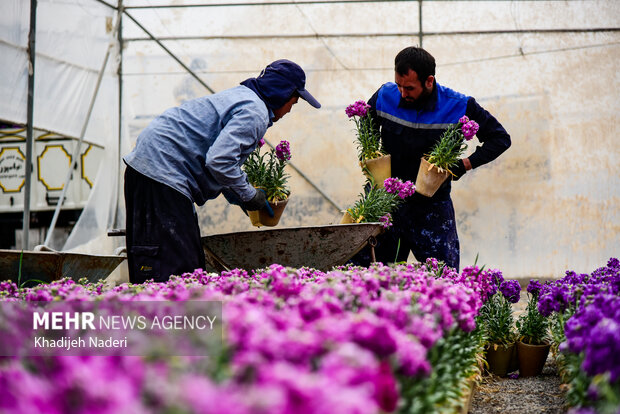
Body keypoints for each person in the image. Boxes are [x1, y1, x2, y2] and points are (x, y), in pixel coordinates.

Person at [123, 59, 321, 284]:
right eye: (293, 103)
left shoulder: (243, 97)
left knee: (165, 260)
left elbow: (215, 157)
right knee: (177, 270)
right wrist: (249, 194)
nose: (289, 111)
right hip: (162, 171)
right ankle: (172, 317)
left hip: (150, 167)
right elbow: (219, 160)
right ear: (282, 93)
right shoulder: (254, 112)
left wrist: (237, 195)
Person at [352, 46, 511, 271]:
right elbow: (366, 123)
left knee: (444, 280)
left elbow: (500, 138)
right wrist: (369, 156)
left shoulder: (458, 105)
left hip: (431, 209)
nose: (402, 93)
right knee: (370, 277)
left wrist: (464, 164)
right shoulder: (384, 96)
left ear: (429, 81)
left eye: (409, 88)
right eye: (398, 85)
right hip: (384, 204)